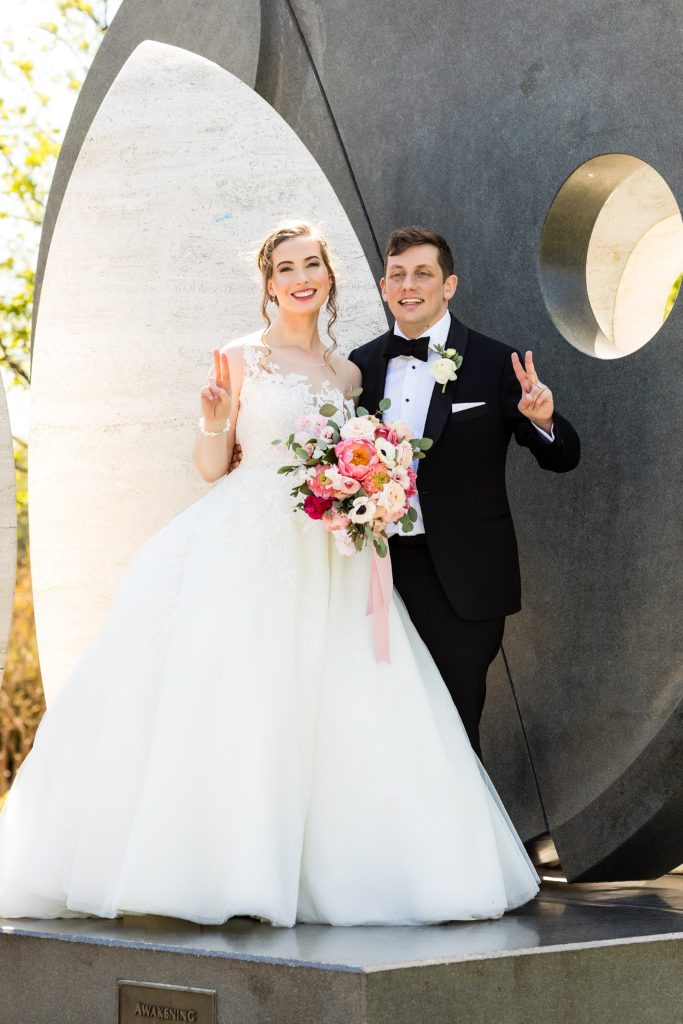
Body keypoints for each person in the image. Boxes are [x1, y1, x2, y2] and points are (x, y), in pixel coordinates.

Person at [0, 221, 539, 927]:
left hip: (332, 556)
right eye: (285, 268)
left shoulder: (351, 373)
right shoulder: (238, 357)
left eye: (310, 263)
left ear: (330, 276)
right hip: (246, 545)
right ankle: (224, 872)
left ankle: (340, 870)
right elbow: (209, 467)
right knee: (239, 699)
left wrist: (364, 488)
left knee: (338, 705)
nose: (299, 276)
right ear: (269, 284)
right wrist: (213, 420)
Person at [349, 226, 581, 758]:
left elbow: (562, 458)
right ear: (385, 287)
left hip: (465, 581)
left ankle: (462, 841)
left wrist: (544, 422)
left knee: (453, 724)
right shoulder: (359, 367)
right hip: (379, 579)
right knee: (383, 728)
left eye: (423, 274)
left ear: (448, 285)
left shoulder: (496, 362)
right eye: (399, 275)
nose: (410, 286)